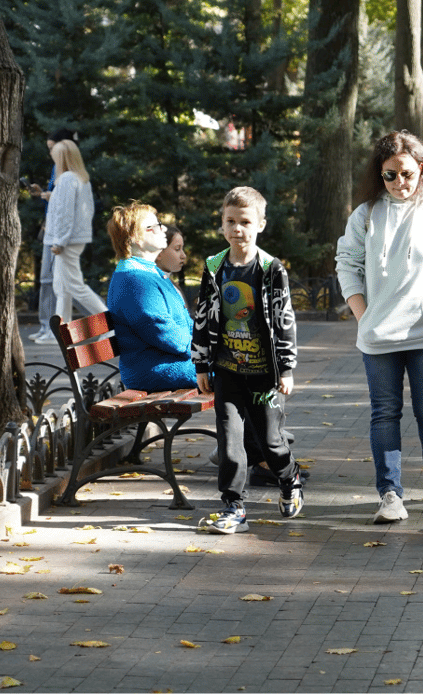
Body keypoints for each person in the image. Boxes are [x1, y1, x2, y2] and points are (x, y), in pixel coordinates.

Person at [336, 130, 423, 524]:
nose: (400, 183)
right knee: (384, 413)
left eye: (407, 174)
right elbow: (347, 264)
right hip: (379, 337)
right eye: (390, 176)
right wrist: (364, 316)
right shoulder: (366, 214)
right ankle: (390, 494)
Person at [193, 186, 303, 534]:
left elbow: (285, 319)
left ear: (260, 224)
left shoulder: (271, 269)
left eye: (245, 222)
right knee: (229, 441)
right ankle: (234, 506)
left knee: (270, 442)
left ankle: (290, 480)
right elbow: (201, 317)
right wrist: (201, 364)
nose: (237, 229)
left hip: (264, 375)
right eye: (230, 221)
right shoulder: (214, 267)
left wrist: (285, 368)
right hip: (227, 371)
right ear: (222, 224)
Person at [106, 202, 197, 392]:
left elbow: (184, 323)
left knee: (243, 364)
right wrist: (205, 351)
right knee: (237, 371)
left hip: (172, 362)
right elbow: (162, 330)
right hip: (155, 370)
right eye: (153, 227)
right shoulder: (134, 281)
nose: (162, 229)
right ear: (136, 238)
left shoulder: (149, 273)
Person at [44, 138, 107, 335]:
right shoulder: (80, 178)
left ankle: (111, 324)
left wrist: (59, 241)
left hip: (67, 241)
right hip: (74, 239)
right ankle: (63, 333)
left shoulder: (67, 179)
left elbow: (65, 214)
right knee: (62, 287)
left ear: (62, 158)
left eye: (55, 157)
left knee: (75, 286)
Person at [27, 128, 79, 343]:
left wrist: (61, 240)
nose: (50, 154)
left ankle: (56, 329)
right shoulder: (57, 170)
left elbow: (70, 208)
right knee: (50, 281)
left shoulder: (70, 173)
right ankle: (47, 326)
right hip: (53, 233)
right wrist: (45, 194)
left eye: (53, 149)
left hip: (60, 236)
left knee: (68, 285)